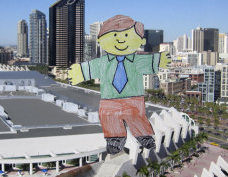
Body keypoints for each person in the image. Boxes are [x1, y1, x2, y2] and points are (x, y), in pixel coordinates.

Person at [68, 15, 171, 154]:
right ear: (100, 40)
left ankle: (144, 135)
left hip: (133, 97)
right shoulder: (102, 62)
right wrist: (78, 73)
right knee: (108, 117)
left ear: (141, 40)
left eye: (127, 35)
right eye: (114, 35)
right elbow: (88, 69)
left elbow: (151, 61)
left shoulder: (137, 60)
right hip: (109, 99)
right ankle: (115, 138)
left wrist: (160, 60)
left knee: (137, 116)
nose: (120, 39)